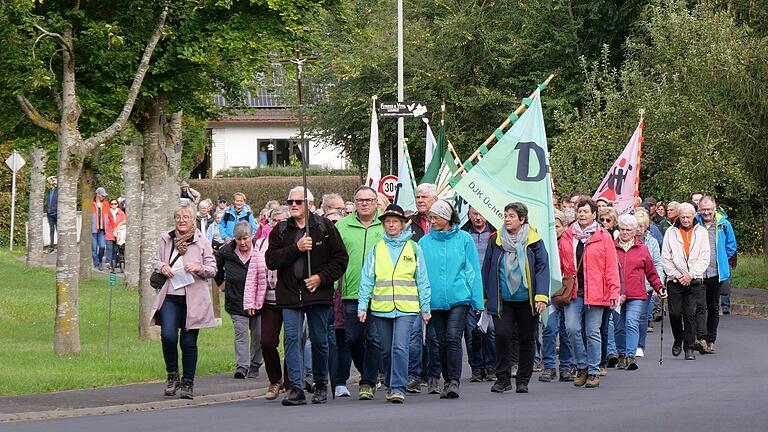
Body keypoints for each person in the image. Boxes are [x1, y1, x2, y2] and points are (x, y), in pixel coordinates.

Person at [265, 186, 349, 406]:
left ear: (309, 205)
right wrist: (297, 248)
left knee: (320, 340)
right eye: (290, 201)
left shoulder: (324, 227)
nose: (293, 205)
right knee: (292, 339)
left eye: (298, 202)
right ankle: (296, 387)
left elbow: (340, 259)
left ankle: (321, 383)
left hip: (317, 294)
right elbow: (271, 260)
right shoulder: (281, 230)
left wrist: (321, 278)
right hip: (290, 295)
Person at [357, 204, 431, 403]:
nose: (391, 225)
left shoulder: (414, 248)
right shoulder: (377, 249)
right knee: (387, 349)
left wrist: (425, 307)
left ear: (402, 224)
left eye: (395, 221)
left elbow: (422, 278)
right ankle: (391, 384)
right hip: (381, 308)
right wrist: (363, 305)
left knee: (400, 347)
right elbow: (367, 278)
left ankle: (398, 387)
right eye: (387, 222)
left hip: (407, 308)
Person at [150, 204, 217, 400]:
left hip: (193, 298)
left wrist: (199, 267)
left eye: (186, 217)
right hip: (170, 295)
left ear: (193, 219)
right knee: (168, 336)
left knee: (188, 342)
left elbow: (213, 269)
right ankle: (172, 376)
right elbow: (155, 260)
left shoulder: (201, 241)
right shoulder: (166, 238)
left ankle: (188, 382)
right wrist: (163, 267)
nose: (182, 220)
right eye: (178, 217)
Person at [419, 200, 484, 399]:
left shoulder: (464, 239)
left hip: (459, 298)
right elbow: (420, 274)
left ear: (447, 218)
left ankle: (454, 381)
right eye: (431, 217)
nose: (432, 221)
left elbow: (473, 271)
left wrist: (477, 301)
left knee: (453, 338)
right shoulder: (424, 242)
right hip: (435, 300)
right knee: (440, 342)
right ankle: (446, 380)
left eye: (436, 217)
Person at [482, 202, 549, 394]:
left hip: (527, 300)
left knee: (527, 338)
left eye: (511, 216)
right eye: (505, 215)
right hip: (503, 299)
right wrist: (485, 297)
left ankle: (523, 380)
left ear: (522, 219)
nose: (507, 219)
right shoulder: (495, 239)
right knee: (501, 335)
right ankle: (503, 378)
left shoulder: (534, 240)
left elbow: (542, 268)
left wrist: (541, 296)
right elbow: (487, 267)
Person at [559, 199, 620, 388]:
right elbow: (561, 263)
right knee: (571, 328)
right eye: (580, 211)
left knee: (593, 332)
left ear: (594, 214)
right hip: (574, 291)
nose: (582, 214)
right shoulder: (568, 236)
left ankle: (593, 371)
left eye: (586, 211)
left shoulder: (603, 237)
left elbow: (611, 265)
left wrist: (614, 290)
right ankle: (582, 365)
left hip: (597, 290)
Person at [334, 186, 384, 400]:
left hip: (379, 292)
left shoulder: (386, 224)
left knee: (373, 338)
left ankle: (367, 382)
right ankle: (368, 372)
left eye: (369, 200)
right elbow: (334, 257)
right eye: (360, 200)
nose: (364, 203)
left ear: (376, 202)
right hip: (350, 291)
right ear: (354, 202)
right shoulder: (342, 226)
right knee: (353, 338)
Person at [613, 214, 666, 370]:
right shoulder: (611, 247)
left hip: (636, 293)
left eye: (628, 230)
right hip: (617, 294)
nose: (624, 233)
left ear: (635, 231)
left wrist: (659, 287)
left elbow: (651, 272)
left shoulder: (642, 248)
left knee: (631, 321)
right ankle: (621, 354)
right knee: (618, 325)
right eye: (622, 229)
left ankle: (630, 356)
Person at [248, 207, 289, 400]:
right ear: (268, 223)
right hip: (269, 300)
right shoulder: (261, 243)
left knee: (292, 341)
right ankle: (275, 379)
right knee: (266, 342)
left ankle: (291, 382)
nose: (278, 225)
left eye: (282, 221)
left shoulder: (294, 241)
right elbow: (253, 274)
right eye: (274, 221)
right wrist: (250, 301)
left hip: (289, 299)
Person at [215, 221, 264, 380]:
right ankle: (242, 366)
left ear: (252, 236)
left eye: (246, 238)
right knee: (241, 333)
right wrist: (221, 283)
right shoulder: (226, 252)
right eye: (239, 239)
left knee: (258, 334)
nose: (243, 243)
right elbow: (216, 268)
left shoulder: (260, 250)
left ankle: (255, 364)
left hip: (258, 301)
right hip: (236, 299)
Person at [662, 202, 710, 360]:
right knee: (675, 314)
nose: (685, 220)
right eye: (682, 217)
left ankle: (689, 348)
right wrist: (678, 275)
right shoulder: (671, 231)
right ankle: (678, 338)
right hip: (675, 280)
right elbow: (666, 258)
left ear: (694, 216)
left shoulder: (701, 232)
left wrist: (691, 275)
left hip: (694, 280)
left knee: (690, 314)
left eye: (688, 217)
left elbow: (704, 258)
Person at [694, 196, 737, 353]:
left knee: (713, 307)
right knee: (699, 306)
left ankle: (711, 339)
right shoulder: (694, 222)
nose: (706, 212)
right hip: (698, 272)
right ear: (699, 209)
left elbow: (731, 246)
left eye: (709, 209)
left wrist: (722, 259)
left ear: (714, 208)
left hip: (716, 273)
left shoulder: (724, 224)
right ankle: (701, 338)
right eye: (703, 209)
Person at [539, 209, 576, 383]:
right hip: (548, 292)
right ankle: (548, 366)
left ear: (565, 226)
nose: (555, 230)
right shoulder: (542, 242)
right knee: (549, 328)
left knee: (566, 330)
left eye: (558, 226)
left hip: (566, 291)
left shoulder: (570, 242)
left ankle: (566, 367)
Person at [461, 207, 497, 382]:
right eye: (474, 213)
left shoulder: (496, 233)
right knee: (471, 331)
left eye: (480, 213)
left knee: (490, 330)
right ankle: (477, 367)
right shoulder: (463, 234)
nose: (477, 217)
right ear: (468, 215)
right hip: (468, 289)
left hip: (490, 289)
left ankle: (491, 365)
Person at [633, 208, 664, 354]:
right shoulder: (626, 240)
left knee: (643, 317)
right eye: (636, 226)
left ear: (646, 227)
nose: (638, 229)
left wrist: (659, 284)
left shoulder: (652, 242)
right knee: (629, 318)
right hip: (630, 285)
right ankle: (628, 346)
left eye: (641, 226)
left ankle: (640, 345)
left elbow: (657, 263)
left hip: (646, 285)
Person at [104, 198, 127, 270]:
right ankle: (108, 262)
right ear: (110, 205)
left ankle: (113, 263)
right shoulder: (107, 213)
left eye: (115, 204)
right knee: (109, 248)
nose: (113, 205)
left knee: (115, 249)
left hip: (119, 232)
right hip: (109, 232)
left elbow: (125, 221)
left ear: (117, 204)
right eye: (112, 204)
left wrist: (118, 227)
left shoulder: (121, 213)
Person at [91, 187, 109, 270]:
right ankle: (97, 263)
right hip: (93, 229)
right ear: (97, 195)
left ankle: (99, 260)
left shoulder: (106, 204)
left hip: (102, 229)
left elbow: (108, 216)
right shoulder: (91, 203)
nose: (104, 197)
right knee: (94, 248)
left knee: (102, 246)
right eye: (102, 195)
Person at [44, 176, 58, 252]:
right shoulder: (49, 191)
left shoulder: (58, 190)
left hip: (57, 213)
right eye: (49, 182)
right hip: (49, 213)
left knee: (58, 229)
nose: (50, 183)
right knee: (51, 230)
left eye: (51, 181)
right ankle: (51, 246)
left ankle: (60, 245)